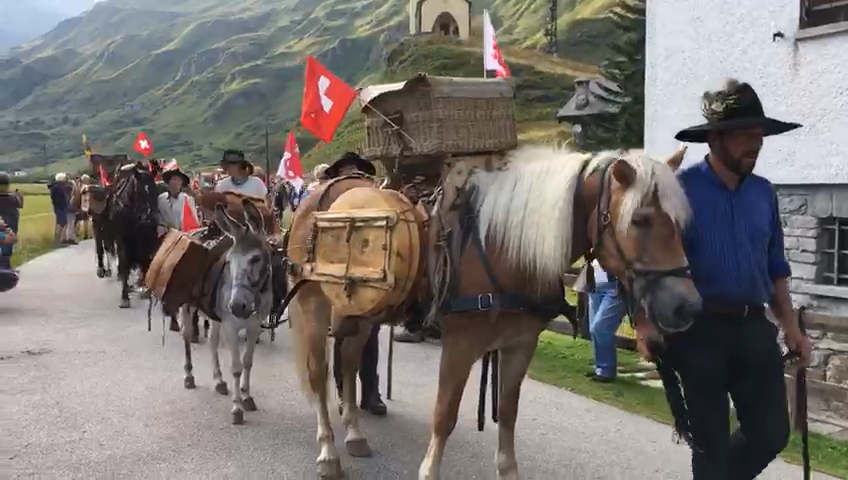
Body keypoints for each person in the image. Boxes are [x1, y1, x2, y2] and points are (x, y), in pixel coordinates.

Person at [666, 79, 812, 479]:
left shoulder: (764, 193)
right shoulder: (680, 191)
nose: (756, 143)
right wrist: (649, 323)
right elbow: (652, 263)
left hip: (754, 328)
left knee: (771, 433)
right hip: (700, 331)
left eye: (758, 134)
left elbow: (776, 267)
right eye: (744, 134)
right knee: (710, 446)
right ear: (715, 138)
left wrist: (791, 328)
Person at [326, 152, 386, 416]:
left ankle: (371, 393)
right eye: (346, 171)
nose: (351, 176)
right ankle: (344, 393)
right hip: (338, 274)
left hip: (369, 271)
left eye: (356, 171)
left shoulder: (376, 199)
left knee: (370, 334)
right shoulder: (329, 202)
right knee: (343, 332)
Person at [585, 258, 627, 382]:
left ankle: (606, 370)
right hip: (596, 282)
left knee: (600, 328)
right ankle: (600, 367)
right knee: (594, 329)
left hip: (616, 285)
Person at [157, 167, 196, 234]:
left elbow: (194, 221)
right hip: (166, 235)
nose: (177, 182)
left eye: (179, 180)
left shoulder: (188, 199)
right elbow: (159, 219)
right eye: (174, 179)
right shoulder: (161, 199)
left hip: (184, 234)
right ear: (169, 182)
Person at [49, 173, 76, 246]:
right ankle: (57, 241)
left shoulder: (56, 187)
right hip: (60, 207)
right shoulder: (57, 188)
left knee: (61, 223)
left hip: (59, 207)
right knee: (61, 223)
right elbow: (60, 198)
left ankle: (59, 240)